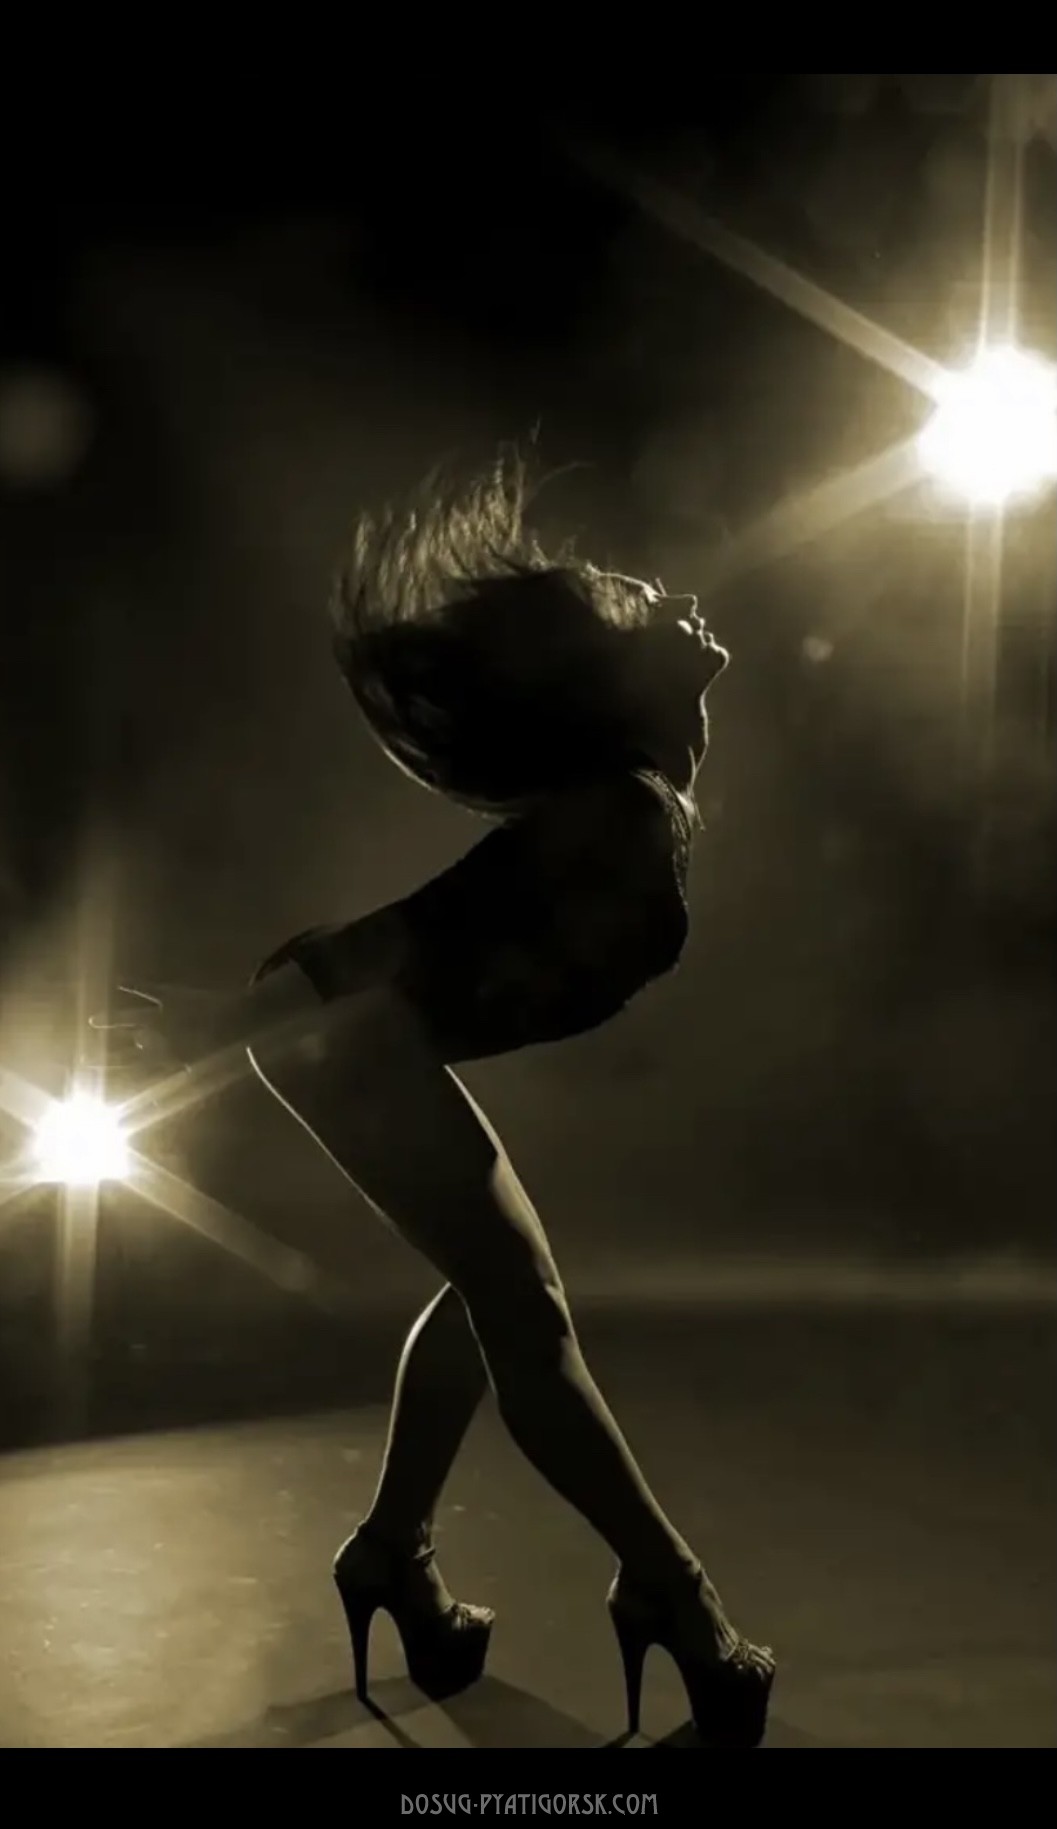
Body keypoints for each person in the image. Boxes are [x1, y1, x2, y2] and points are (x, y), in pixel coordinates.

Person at [108, 450, 775, 1746]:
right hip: (341, 1031)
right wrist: (219, 1028)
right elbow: (393, 943)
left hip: (360, 1035)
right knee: (525, 1313)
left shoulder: (633, 803)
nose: (681, 598)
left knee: (497, 1295)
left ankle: (391, 1557)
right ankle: (673, 1593)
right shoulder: (612, 814)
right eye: (647, 604)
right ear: (614, 675)